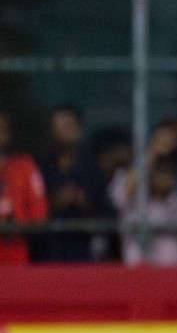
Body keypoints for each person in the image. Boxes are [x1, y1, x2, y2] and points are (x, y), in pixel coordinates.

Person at [37, 105, 104, 261]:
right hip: (46, 252)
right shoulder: (40, 167)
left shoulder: (92, 168)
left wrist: (82, 201)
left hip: (81, 251)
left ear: (80, 129)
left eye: (67, 126)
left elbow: (104, 212)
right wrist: (55, 202)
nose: (62, 132)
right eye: (57, 127)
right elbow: (31, 210)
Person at [0, 112, 48, 264]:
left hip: (16, 254)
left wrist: (18, 225)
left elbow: (39, 211)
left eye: (4, 128)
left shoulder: (24, 165)